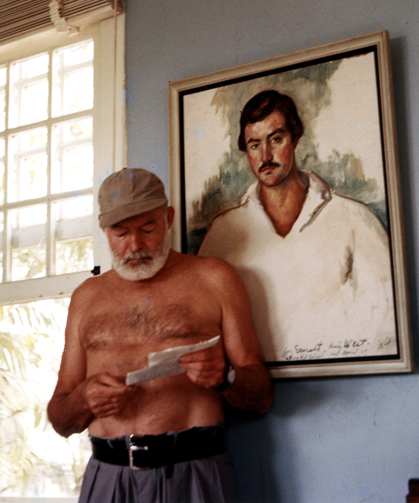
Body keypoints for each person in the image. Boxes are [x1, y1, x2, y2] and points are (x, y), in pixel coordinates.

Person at [48, 167, 273, 503]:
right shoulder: (86, 297)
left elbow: (261, 397)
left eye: (147, 228)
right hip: (108, 477)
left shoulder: (215, 278)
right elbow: (61, 419)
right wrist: (83, 399)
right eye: (120, 233)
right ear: (103, 229)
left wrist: (224, 376)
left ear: (168, 218)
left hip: (194, 473)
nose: (135, 245)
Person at [199, 90, 396, 364]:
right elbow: (202, 328)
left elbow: (386, 324)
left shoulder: (355, 218)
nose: (266, 155)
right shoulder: (222, 233)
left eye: (276, 139)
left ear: (295, 138)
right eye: (254, 145)